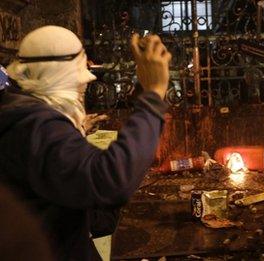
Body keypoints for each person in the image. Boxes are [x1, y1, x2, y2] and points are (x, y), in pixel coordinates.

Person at [0, 25, 171, 260]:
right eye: (79, 82)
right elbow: (111, 179)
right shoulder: (33, 124)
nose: (84, 87)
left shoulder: (20, 112)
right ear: (63, 76)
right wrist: (153, 95)